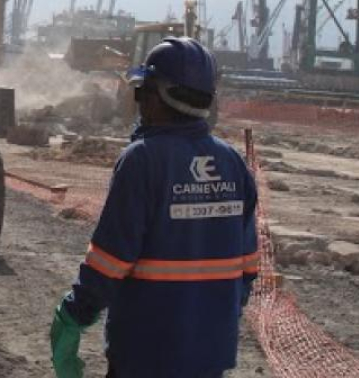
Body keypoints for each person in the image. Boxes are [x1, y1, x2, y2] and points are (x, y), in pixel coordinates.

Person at [50, 37, 259, 378]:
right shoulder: (232, 162)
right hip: (210, 355)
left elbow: (110, 260)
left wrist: (75, 314)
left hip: (145, 352)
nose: (140, 103)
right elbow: (248, 265)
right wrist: (212, 318)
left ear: (158, 95)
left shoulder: (142, 160)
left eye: (142, 92)